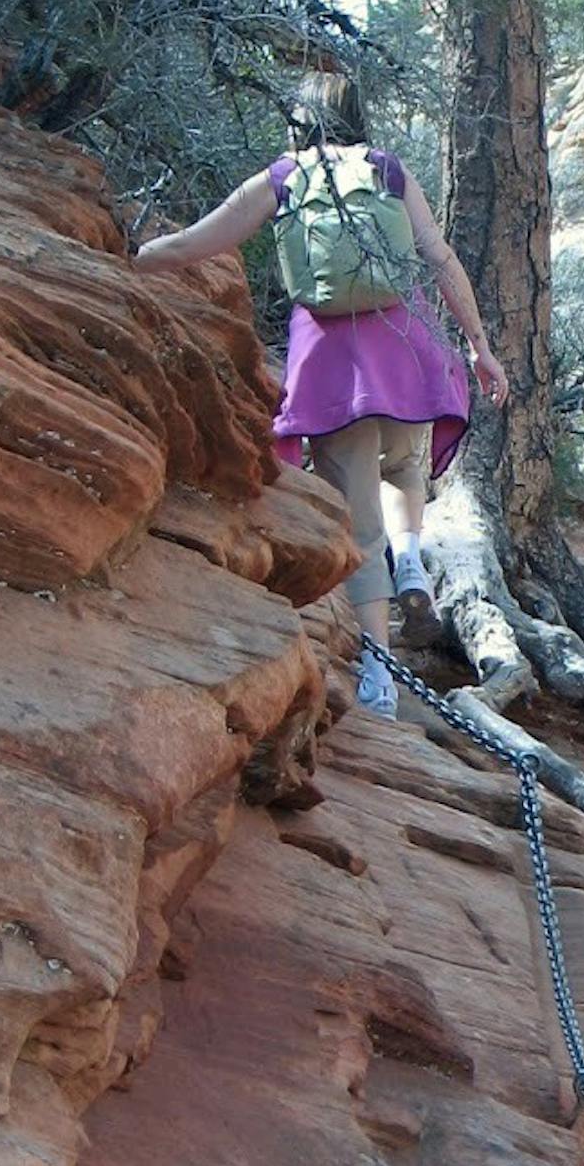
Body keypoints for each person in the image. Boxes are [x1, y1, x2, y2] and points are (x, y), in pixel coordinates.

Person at [133, 73, 508, 718]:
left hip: (330, 368)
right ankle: (413, 559)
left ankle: (381, 680)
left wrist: (132, 257)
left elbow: (200, 243)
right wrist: (479, 347)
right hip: (405, 349)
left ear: (298, 120)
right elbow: (440, 259)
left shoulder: (283, 179)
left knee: (360, 525)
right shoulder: (386, 170)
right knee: (405, 465)